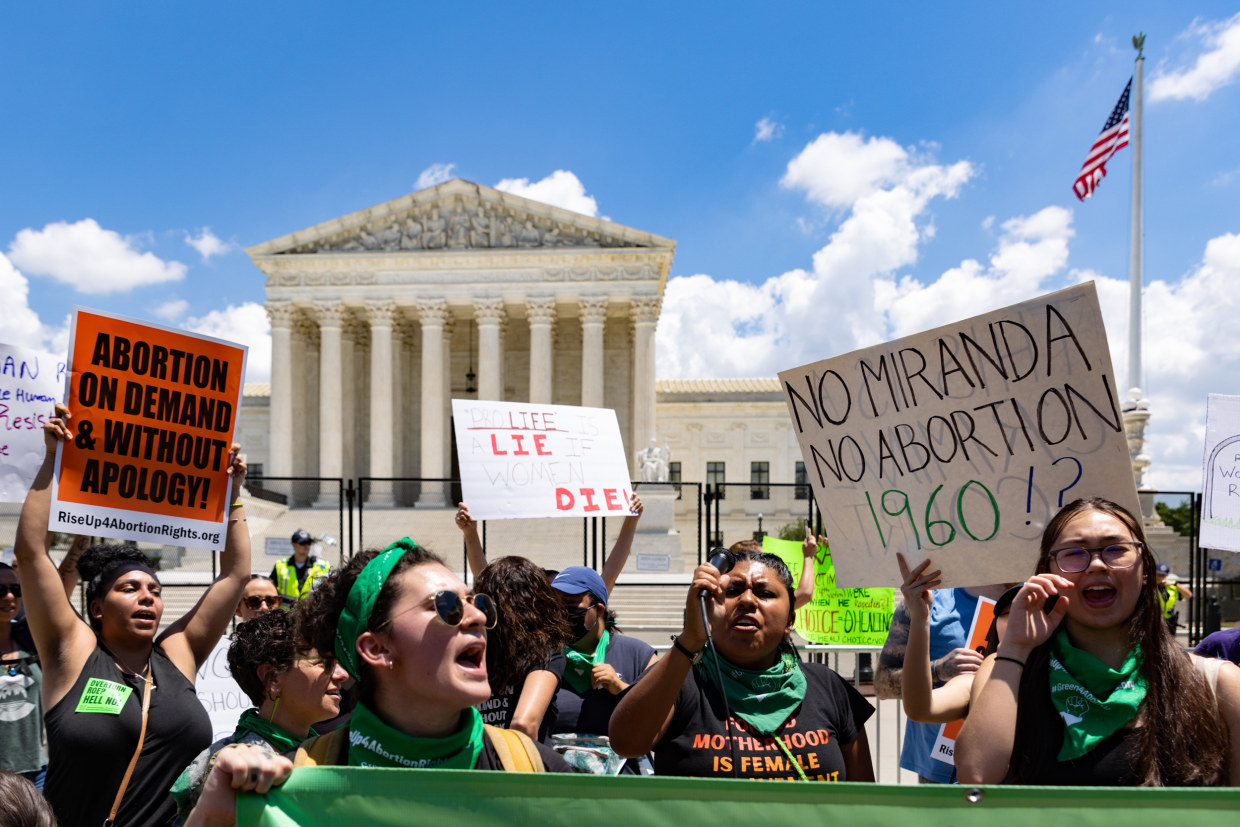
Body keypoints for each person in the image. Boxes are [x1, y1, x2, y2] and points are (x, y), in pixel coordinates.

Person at [16, 404, 252, 826]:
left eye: (155, 591)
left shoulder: (178, 655)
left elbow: (234, 574)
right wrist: (52, 459)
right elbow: (32, 554)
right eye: (129, 589)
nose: (147, 598)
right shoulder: (73, 653)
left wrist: (232, 492)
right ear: (96, 607)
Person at [956, 497, 1240, 786]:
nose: (1096, 564)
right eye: (1074, 553)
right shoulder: (1003, 671)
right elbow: (976, 777)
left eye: (1116, 549)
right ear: (1047, 573)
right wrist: (1015, 648)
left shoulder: (1219, 685)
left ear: (1145, 571)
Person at [610, 550, 875, 780]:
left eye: (765, 593)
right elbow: (626, 742)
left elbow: (865, 802)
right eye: (732, 591)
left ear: (790, 621)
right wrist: (691, 639)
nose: (747, 600)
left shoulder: (829, 687)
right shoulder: (679, 679)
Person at [170, 609, 348, 819]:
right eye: (323, 663)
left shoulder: (327, 750)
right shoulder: (236, 770)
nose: (342, 675)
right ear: (272, 678)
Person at [876, 570, 1010, 782]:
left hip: (1013, 764)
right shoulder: (928, 599)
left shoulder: (1038, 599)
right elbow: (882, 685)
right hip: (939, 769)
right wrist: (938, 669)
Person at [549, 565, 657, 767]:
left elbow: (662, 722)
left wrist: (622, 690)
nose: (561, 614)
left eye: (570, 604)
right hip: (557, 782)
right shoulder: (543, 657)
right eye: (555, 606)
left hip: (620, 786)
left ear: (598, 609)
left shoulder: (640, 655)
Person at [897, 555, 1018, 725]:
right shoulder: (977, 683)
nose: (1019, 620)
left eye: (1029, 610)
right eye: (1007, 613)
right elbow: (921, 709)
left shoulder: (1056, 673)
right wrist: (920, 620)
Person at [471, 555, 572, 742]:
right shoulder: (545, 653)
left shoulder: (473, 649)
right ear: (539, 602)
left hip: (474, 760)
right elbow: (524, 724)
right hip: (516, 763)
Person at [457, 496, 645, 596]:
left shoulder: (569, 622)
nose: (545, 569)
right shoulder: (521, 622)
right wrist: (470, 533)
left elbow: (610, 574)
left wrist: (631, 523)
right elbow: (610, 574)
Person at [0, 564, 45, 791]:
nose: (8, 596)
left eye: (15, 589)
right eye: (0, 589)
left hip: (37, 773)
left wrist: (79, 541)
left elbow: (58, 591)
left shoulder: (30, 637)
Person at [270, 529, 331, 606]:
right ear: (293, 544)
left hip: (310, 613)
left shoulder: (322, 566)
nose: (306, 546)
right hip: (286, 614)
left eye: (308, 543)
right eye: (302, 543)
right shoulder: (280, 566)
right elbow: (270, 589)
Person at [1156, 563, 1192, 634]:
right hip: (1153, 620)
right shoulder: (1149, 587)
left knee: (1169, 643)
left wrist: (1175, 584)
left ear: (1166, 576)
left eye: (1162, 575)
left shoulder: (1171, 587)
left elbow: (1188, 595)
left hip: (1169, 621)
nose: (1160, 577)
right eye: (1158, 574)